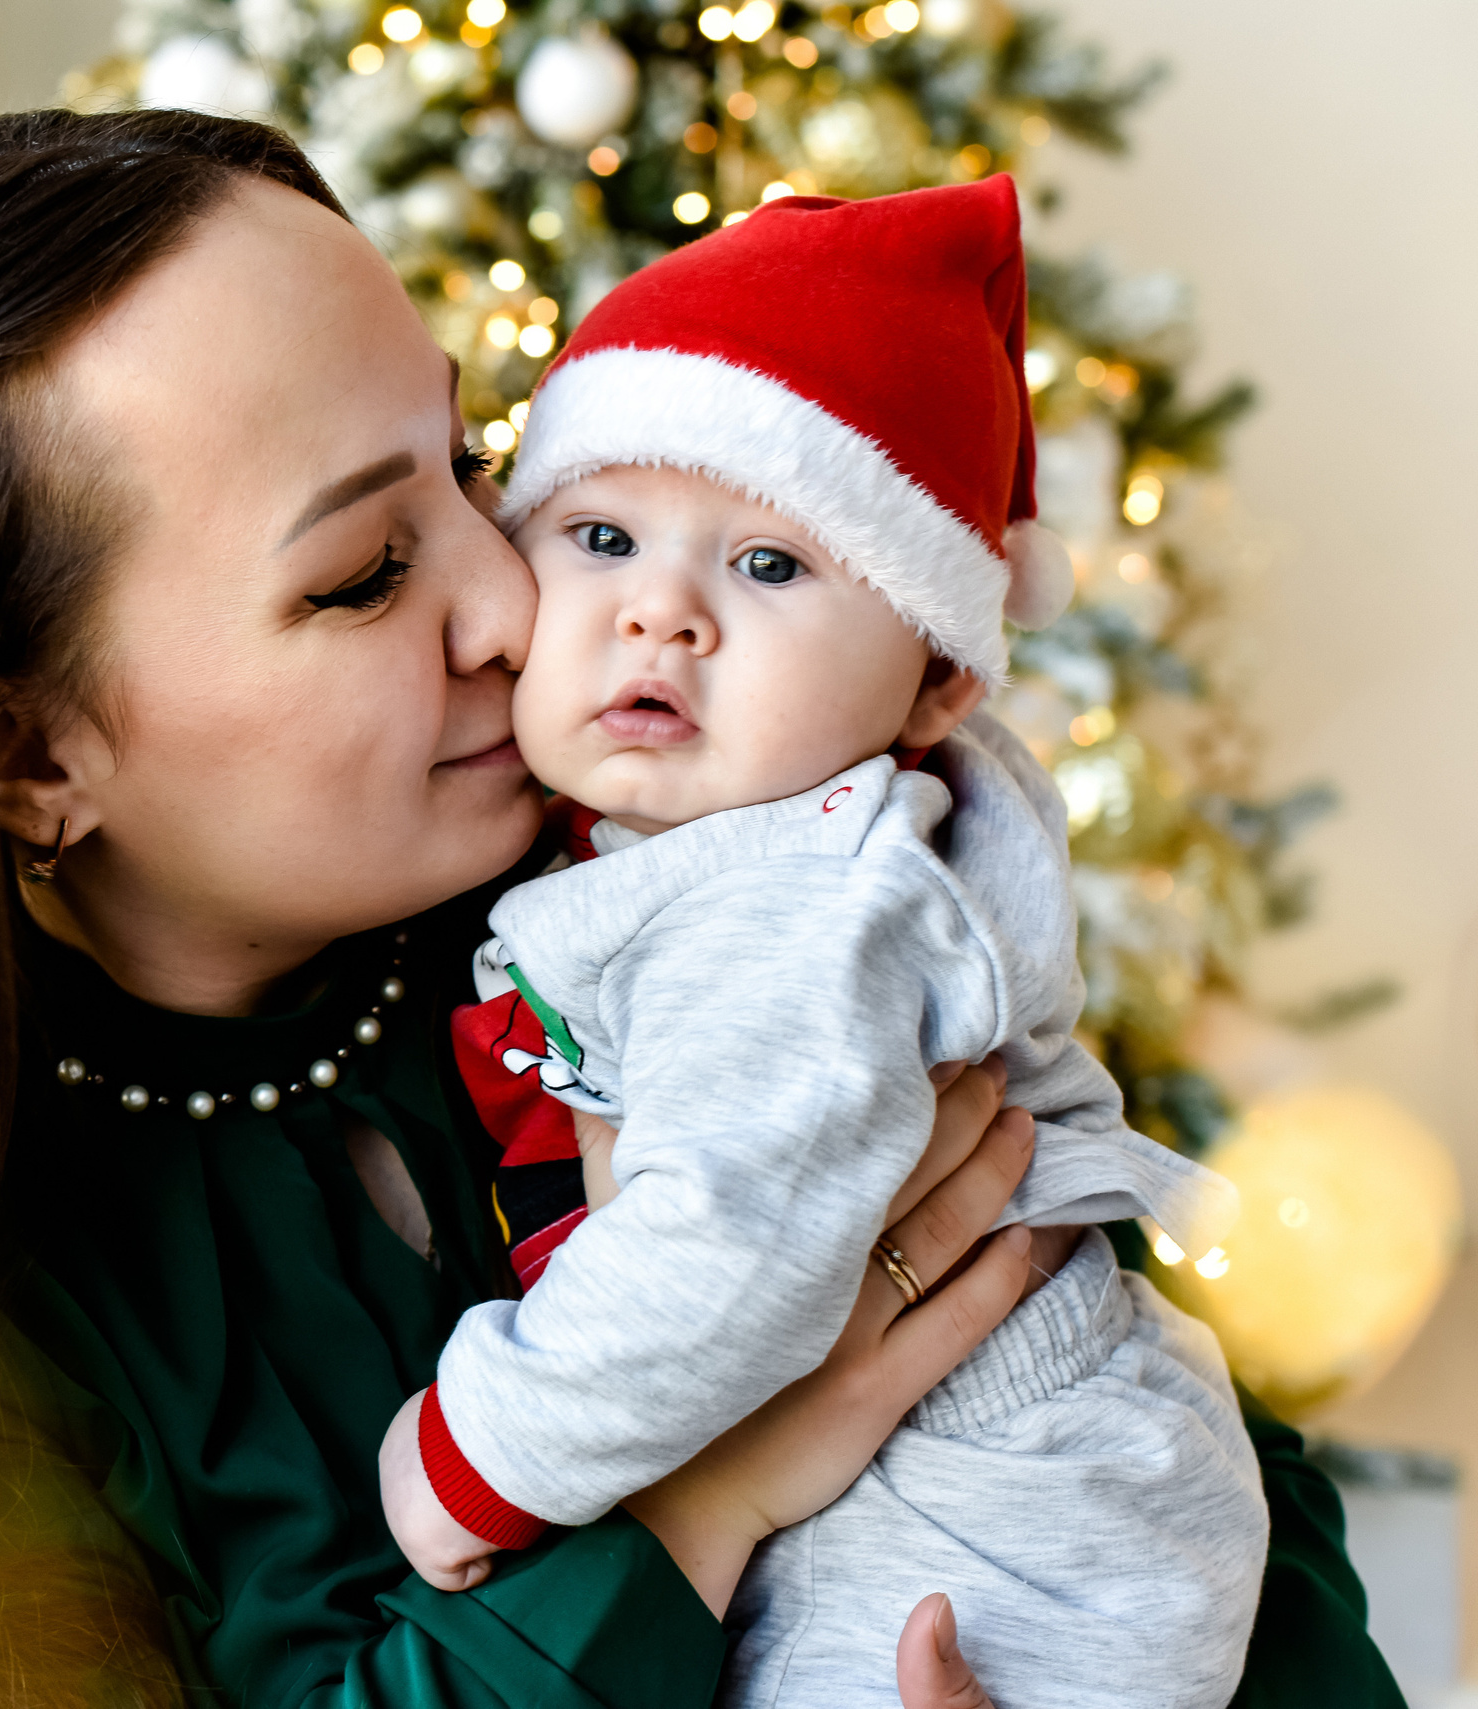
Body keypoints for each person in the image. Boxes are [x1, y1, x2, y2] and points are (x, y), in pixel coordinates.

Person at [0, 107, 1404, 1709]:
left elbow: (1183, 1451)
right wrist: (714, 1492)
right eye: (366, 571)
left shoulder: (693, 861)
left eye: (482, 467)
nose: (515, 598)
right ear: (26, 758)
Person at [375, 179, 1267, 1708]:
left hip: (990, 1526)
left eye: (770, 565)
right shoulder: (700, 841)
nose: (661, 613)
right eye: (598, 534)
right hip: (995, 1476)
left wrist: (475, 1457)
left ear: (933, 689)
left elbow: (722, 1250)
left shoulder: (798, 907)